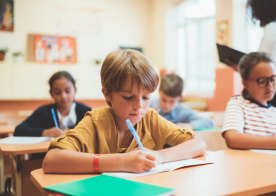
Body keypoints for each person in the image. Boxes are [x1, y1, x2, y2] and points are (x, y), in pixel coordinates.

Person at [42, 49, 206, 174]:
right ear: (107, 94)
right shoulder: (96, 122)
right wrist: (121, 161)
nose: (139, 106)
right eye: (128, 97)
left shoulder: (150, 118)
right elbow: (51, 160)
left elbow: (198, 144)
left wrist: (161, 156)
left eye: (146, 97)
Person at [222, 52, 276, 150]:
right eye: (262, 81)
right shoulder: (238, 104)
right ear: (245, 83)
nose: (269, 86)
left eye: (272, 79)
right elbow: (232, 138)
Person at [14, 71, 91, 137]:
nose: (63, 96)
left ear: (75, 90)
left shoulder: (85, 111)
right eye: (58, 93)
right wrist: (45, 132)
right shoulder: (44, 112)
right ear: (51, 94)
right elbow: (19, 130)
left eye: (67, 91)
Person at [150, 73, 214, 130]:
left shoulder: (182, 111)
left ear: (180, 97)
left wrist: (190, 125)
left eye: (172, 101)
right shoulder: (149, 105)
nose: (167, 105)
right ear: (159, 92)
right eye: (164, 99)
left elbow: (209, 122)